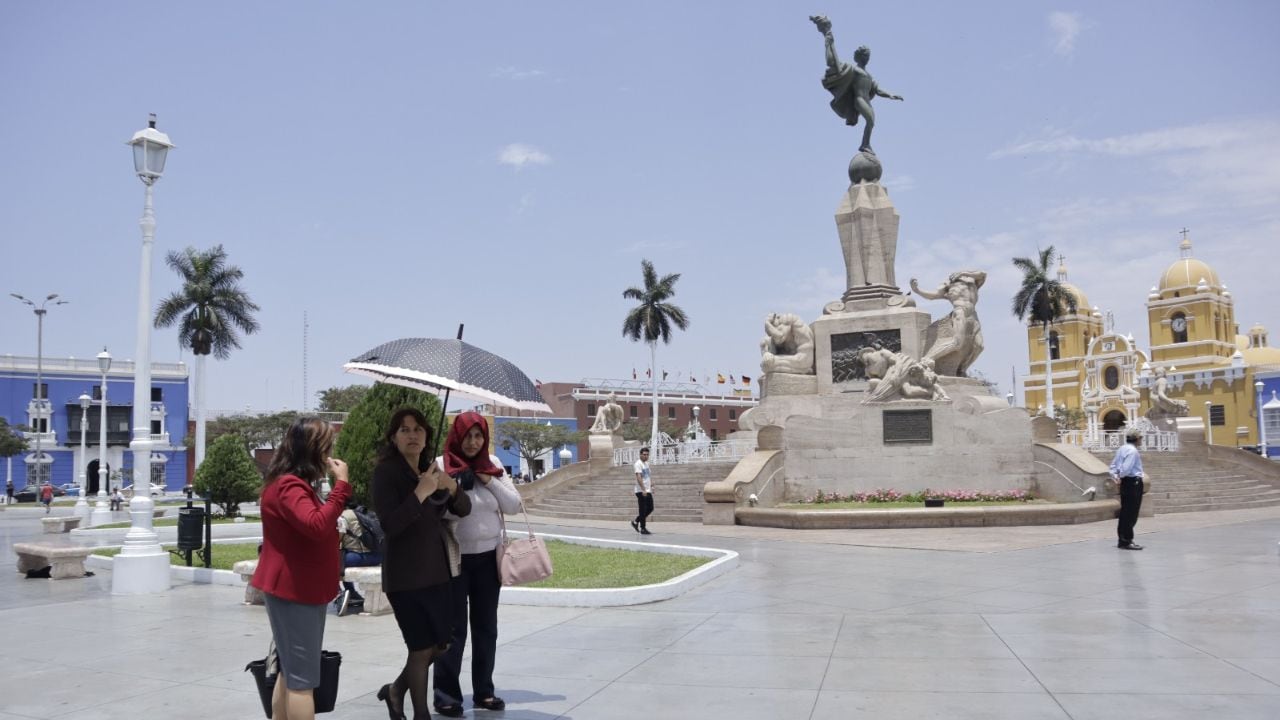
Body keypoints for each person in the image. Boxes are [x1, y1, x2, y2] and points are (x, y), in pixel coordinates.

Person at [250, 417, 353, 720]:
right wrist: (342, 487)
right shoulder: (289, 486)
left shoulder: (288, 484)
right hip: (295, 590)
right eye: (325, 446)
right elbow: (317, 526)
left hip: (296, 587)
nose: (329, 453)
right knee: (303, 681)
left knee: (291, 671)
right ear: (311, 450)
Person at [372, 408, 471, 720]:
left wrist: (450, 486)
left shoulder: (431, 470)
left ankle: (395, 690)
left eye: (417, 429)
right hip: (405, 577)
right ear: (393, 437)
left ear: (427, 435)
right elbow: (390, 525)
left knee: (439, 646)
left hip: (436, 572)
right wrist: (419, 493)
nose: (412, 435)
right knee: (420, 647)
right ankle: (420, 714)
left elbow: (464, 508)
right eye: (404, 429)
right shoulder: (386, 473)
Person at [433, 412, 522, 717]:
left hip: (487, 559)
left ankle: (484, 691)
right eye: (467, 435)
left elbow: (513, 505)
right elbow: (437, 514)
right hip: (454, 559)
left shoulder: (493, 464)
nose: (473, 442)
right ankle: (446, 695)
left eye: (478, 436)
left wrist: (487, 479)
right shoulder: (441, 465)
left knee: (486, 628)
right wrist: (457, 489)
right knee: (453, 631)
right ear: (456, 436)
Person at [810, 15, 903, 154]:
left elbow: (877, 90)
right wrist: (828, 37)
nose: (867, 58)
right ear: (859, 56)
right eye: (865, 55)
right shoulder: (853, 69)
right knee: (870, 121)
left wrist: (891, 95)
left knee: (871, 122)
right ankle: (865, 145)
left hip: (866, 100)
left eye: (868, 56)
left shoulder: (869, 76)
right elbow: (835, 64)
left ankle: (866, 144)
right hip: (858, 100)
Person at [910, 271, 987, 377]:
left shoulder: (972, 279)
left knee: (979, 346)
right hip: (960, 312)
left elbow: (983, 274)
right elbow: (934, 296)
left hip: (973, 314)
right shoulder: (948, 283)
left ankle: (962, 369)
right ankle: (928, 358)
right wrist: (918, 290)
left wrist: (963, 273)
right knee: (957, 343)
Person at [335, 502, 382, 616]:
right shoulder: (366, 513)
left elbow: (337, 541)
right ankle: (352, 594)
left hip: (357, 558)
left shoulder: (342, 517)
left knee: (329, 561)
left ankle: (339, 593)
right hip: (377, 557)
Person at [1109, 426, 1146, 550]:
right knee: (1131, 513)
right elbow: (1126, 468)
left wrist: (1116, 476)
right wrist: (1121, 475)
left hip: (1126, 483)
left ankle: (1123, 539)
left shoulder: (1121, 449)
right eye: (1141, 438)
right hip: (1133, 483)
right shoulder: (1133, 451)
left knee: (1125, 512)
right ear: (1136, 439)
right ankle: (1126, 540)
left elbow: (1113, 466)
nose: (1141, 440)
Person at [631, 447, 653, 535]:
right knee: (642, 509)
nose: (646, 456)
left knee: (650, 508)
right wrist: (643, 489)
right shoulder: (638, 464)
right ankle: (643, 528)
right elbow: (638, 477)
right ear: (640, 454)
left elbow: (648, 475)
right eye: (644, 454)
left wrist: (652, 485)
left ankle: (636, 521)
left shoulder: (646, 464)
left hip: (648, 490)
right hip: (641, 491)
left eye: (647, 455)